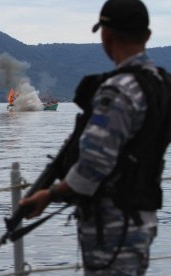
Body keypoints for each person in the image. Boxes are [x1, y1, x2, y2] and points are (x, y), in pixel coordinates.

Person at [19, 0, 171, 275]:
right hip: (143, 220)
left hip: (111, 227)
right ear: (148, 36)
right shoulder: (161, 84)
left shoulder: (118, 90)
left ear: (106, 35)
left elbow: (93, 166)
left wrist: (49, 194)